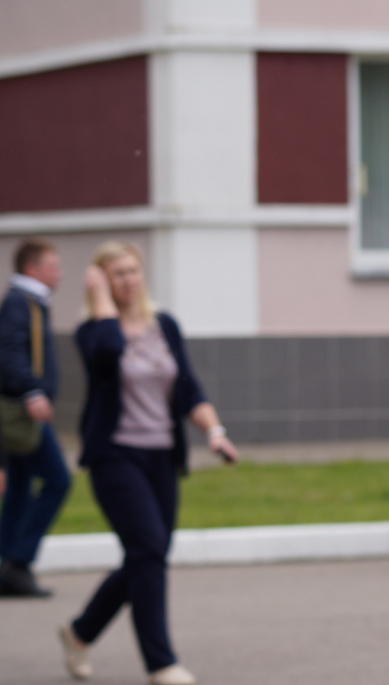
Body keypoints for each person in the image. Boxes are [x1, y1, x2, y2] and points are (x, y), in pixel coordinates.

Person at [59, 241, 239, 685]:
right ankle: (161, 664)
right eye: (116, 274)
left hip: (161, 456)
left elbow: (189, 388)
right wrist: (100, 300)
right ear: (102, 280)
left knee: (147, 556)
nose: (128, 280)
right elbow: (105, 354)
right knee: (148, 551)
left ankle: (79, 633)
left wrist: (214, 432)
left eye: (133, 271)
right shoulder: (93, 329)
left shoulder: (165, 326)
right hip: (115, 456)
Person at [0, 237, 71, 598]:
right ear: (32, 269)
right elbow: (9, 352)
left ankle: (7, 567)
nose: (59, 274)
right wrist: (32, 390)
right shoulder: (20, 303)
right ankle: (19, 560)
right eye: (53, 266)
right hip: (22, 415)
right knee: (59, 481)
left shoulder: (31, 303)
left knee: (19, 490)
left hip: (23, 413)